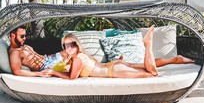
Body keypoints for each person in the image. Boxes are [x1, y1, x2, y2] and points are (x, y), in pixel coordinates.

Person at [46, 25, 194, 80]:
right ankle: (175, 59)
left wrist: (53, 72)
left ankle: (147, 44)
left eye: (72, 44)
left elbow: (72, 78)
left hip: (113, 70)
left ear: (77, 45)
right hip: (115, 64)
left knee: (152, 74)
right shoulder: (81, 56)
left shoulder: (78, 58)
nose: (69, 48)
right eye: (66, 46)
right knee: (146, 66)